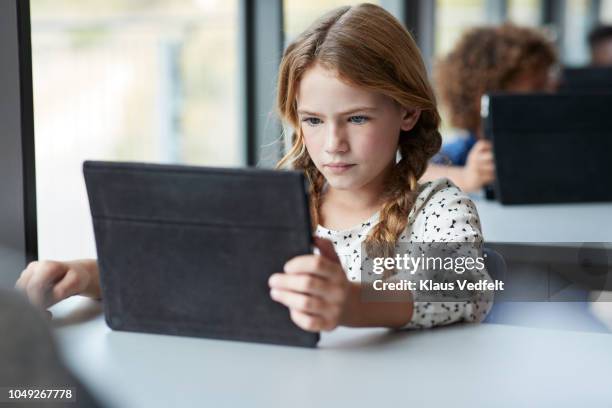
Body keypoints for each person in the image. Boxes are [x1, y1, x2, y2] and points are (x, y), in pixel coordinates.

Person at [17, 4, 492, 332]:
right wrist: (84, 275)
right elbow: (189, 268)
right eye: (313, 120)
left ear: (407, 113)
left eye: (358, 118)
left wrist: (353, 302)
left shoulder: (439, 207)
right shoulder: (271, 201)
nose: (333, 144)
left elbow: (458, 288)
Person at [421, 23, 557, 193]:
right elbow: (413, 174)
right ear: (484, 97)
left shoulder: (548, 145)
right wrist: (466, 177)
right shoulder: (467, 153)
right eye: (537, 90)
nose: (551, 98)